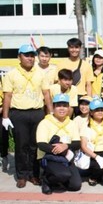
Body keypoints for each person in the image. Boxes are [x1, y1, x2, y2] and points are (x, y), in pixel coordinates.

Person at [3, 44, 52, 188]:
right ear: (19, 57)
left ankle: (34, 174)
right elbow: (7, 96)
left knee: (35, 146)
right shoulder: (11, 74)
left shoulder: (40, 73)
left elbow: (46, 94)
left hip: (37, 112)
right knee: (21, 146)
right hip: (19, 113)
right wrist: (5, 117)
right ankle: (22, 175)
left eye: (32, 55)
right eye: (26, 55)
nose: (30, 58)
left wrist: (50, 114)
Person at [36, 94, 81, 194]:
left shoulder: (72, 123)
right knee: (63, 175)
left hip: (66, 156)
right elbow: (41, 144)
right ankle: (46, 180)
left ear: (69, 108)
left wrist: (66, 146)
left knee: (75, 186)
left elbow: (77, 143)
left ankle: (59, 179)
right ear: (53, 107)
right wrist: (60, 150)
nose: (62, 109)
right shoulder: (45, 123)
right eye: (59, 105)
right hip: (49, 157)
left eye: (65, 106)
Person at [80, 98, 103, 187]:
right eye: (97, 110)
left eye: (101, 110)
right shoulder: (86, 126)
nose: (100, 112)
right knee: (99, 167)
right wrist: (96, 157)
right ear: (91, 112)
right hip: (92, 154)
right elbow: (84, 146)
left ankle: (100, 173)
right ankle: (93, 177)